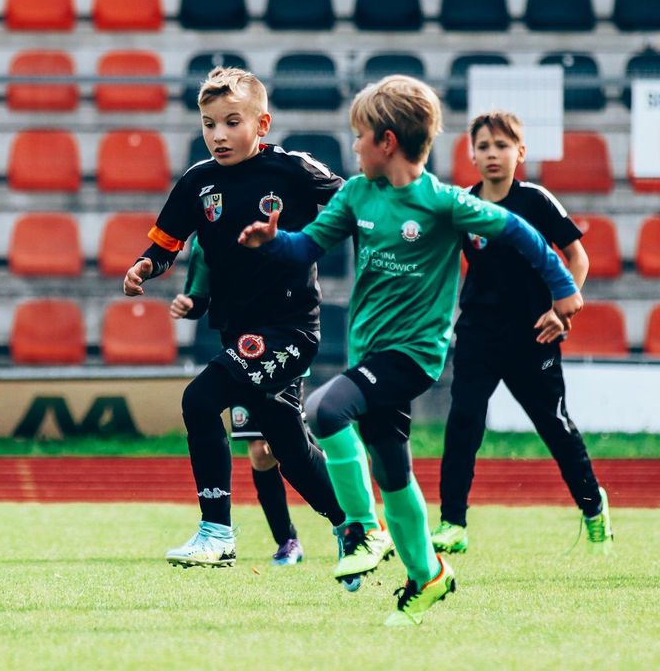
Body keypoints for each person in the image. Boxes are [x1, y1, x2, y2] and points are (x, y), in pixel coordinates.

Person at [237, 75, 584, 625]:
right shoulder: (356, 194)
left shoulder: (444, 203)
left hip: (414, 354)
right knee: (392, 471)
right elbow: (308, 246)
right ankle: (427, 576)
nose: (354, 146)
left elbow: (520, 231)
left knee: (325, 410)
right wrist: (274, 240)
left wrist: (564, 288)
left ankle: (361, 529)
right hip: (368, 353)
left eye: (360, 136)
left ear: (388, 141)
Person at [123, 67, 348, 568]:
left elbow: (354, 202)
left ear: (261, 124)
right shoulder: (198, 182)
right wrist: (145, 266)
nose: (218, 135)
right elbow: (166, 243)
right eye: (209, 124)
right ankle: (354, 525)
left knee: (199, 401)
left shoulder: (293, 170)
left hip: (289, 329)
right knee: (288, 449)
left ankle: (216, 532)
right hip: (238, 332)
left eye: (231, 122)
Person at [432, 110, 613, 556]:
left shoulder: (536, 200)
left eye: (502, 145)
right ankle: (453, 523)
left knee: (554, 425)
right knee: (463, 421)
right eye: (484, 146)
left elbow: (578, 257)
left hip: (536, 335)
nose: (493, 154)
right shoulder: (463, 204)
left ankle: (594, 509)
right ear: (472, 155)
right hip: (477, 332)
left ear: (520, 152)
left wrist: (561, 312)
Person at [171, 237, 304, 567]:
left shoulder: (274, 230)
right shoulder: (206, 239)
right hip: (239, 356)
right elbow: (199, 296)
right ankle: (287, 540)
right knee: (260, 453)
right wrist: (188, 304)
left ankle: (358, 523)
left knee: (292, 449)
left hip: (280, 352)